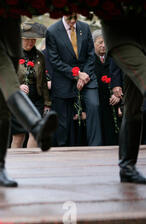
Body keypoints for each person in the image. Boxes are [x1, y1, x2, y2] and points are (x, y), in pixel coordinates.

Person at [0, 14, 58, 187]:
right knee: (10, 83)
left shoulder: (36, 54)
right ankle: (36, 125)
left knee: (1, 108)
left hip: (11, 40)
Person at [101, 14, 146, 184]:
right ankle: (127, 167)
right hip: (121, 36)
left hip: (141, 39)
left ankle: (127, 167)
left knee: (133, 107)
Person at [46, 13, 102, 147]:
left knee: (94, 106)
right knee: (63, 120)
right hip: (64, 78)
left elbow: (90, 54)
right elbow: (54, 60)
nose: (72, 22)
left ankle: (96, 146)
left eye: (74, 18)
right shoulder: (52, 31)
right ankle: (62, 149)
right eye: (69, 19)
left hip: (87, 77)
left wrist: (84, 76)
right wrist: (76, 74)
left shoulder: (85, 27)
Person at [11, 22, 51, 149]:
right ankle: (15, 164)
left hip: (36, 98)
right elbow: (5, 77)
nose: (31, 42)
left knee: (35, 133)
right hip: (18, 99)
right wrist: (17, 87)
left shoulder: (40, 56)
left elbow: (43, 81)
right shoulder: (12, 54)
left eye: (33, 39)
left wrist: (47, 103)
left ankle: (31, 163)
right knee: (19, 135)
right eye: (27, 39)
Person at [92, 30, 122, 146]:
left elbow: (119, 75)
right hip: (98, 101)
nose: (103, 45)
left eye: (105, 42)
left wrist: (118, 95)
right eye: (100, 42)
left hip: (114, 101)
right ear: (93, 43)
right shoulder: (89, 60)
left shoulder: (113, 57)